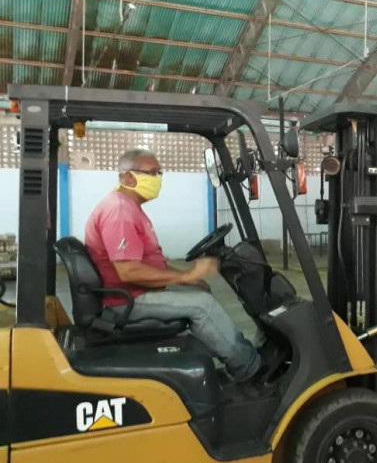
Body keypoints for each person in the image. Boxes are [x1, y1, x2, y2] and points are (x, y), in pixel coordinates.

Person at [84, 149, 264, 383]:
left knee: (199, 293)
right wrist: (186, 276)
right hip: (126, 301)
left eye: (160, 173)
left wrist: (186, 277)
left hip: (133, 293)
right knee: (203, 306)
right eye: (152, 173)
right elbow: (128, 271)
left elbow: (147, 263)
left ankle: (216, 360)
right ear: (128, 177)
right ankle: (251, 370)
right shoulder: (119, 211)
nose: (158, 179)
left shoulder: (126, 206)